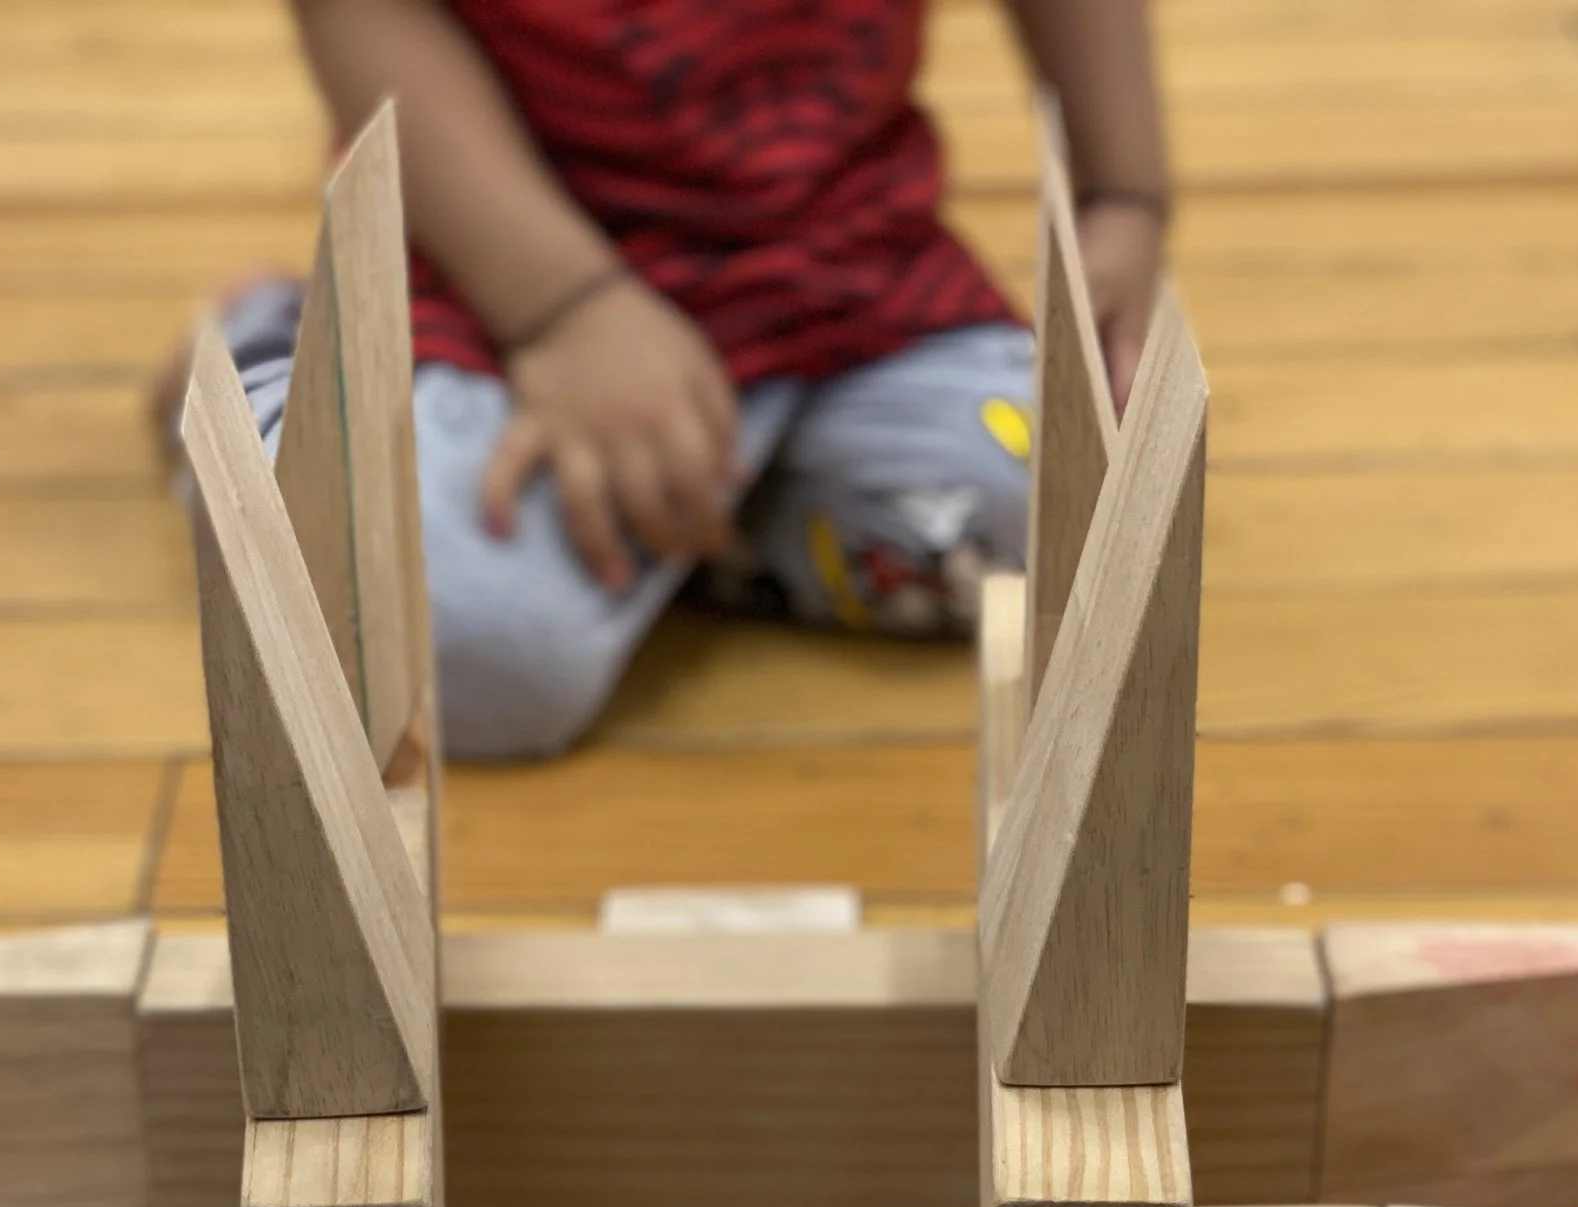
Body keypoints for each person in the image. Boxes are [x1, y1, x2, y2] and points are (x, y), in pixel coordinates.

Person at [207, 0, 1167, 759]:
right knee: (457, 653)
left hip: (838, 274)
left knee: (1059, 513)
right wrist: (563, 307)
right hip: (505, 286)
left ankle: (680, 496)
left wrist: (1124, 196)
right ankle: (271, 361)